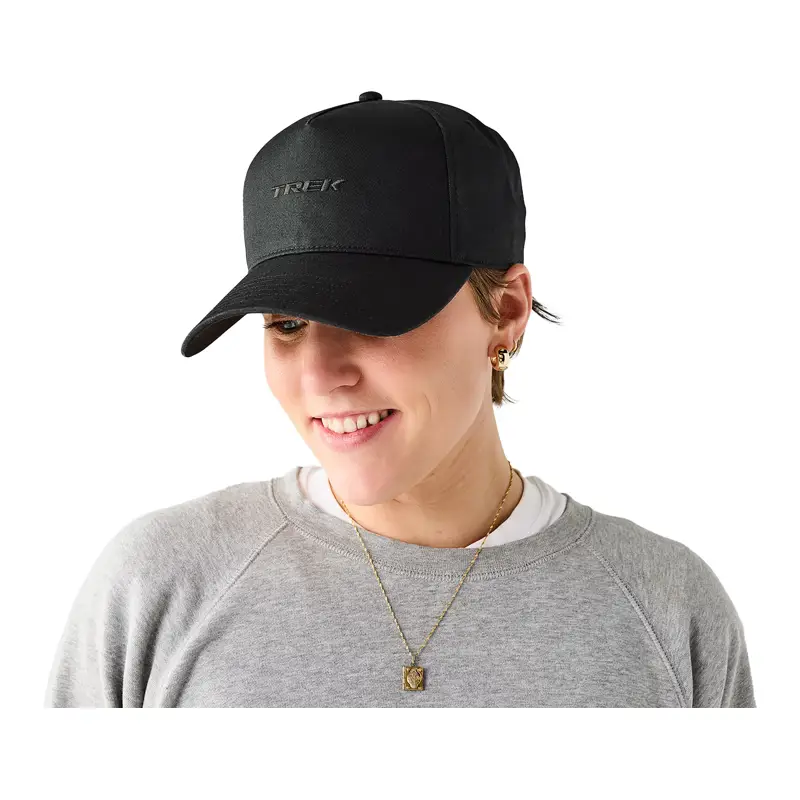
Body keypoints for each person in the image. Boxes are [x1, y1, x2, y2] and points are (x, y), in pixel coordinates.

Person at [44, 91, 755, 707]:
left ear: (506, 312)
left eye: (370, 313)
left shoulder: (668, 609)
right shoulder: (158, 586)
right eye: (285, 324)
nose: (319, 375)